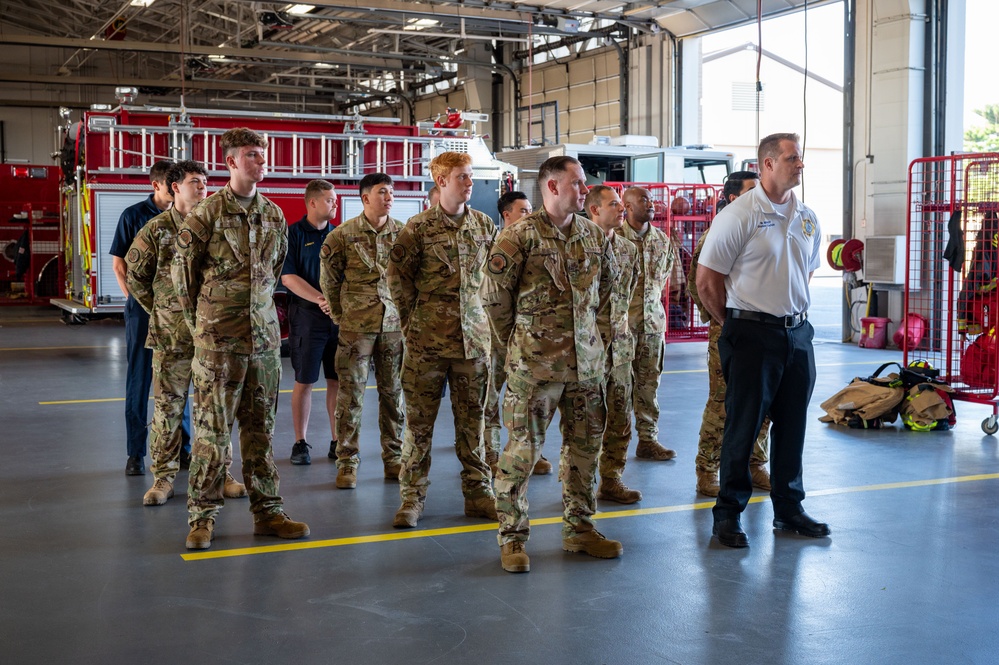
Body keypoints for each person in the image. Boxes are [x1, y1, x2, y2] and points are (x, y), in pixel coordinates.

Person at [172, 127, 309, 550]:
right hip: (218, 342)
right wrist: (205, 326)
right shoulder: (207, 214)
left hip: (264, 344)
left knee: (261, 431)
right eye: (252, 155)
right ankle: (203, 517)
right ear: (231, 162)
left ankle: (268, 512)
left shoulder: (272, 214)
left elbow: (272, 273)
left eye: (262, 154)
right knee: (212, 434)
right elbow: (183, 277)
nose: (261, 161)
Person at [484, 156, 620, 573]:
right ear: (553, 188)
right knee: (522, 454)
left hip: (586, 369)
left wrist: (594, 344)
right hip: (535, 368)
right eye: (577, 184)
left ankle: (579, 527)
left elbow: (607, 294)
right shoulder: (518, 237)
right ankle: (512, 537)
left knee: (584, 451)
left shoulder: (595, 237)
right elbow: (495, 302)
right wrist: (521, 346)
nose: (585, 190)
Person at [697, 133, 829, 548]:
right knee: (743, 427)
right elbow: (707, 281)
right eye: (793, 158)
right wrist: (736, 324)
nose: (800, 165)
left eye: (801, 158)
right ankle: (728, 515)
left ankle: (788, 509)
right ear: (768, 164)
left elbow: (804, 273)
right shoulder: (739, 215)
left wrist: (790, 317)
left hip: (797, 336)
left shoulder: (806, 217)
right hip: (752, 334)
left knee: (792, 427)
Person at [386, 151, 498, 529]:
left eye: (471, 176)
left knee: (474, 425)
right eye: (463, 177)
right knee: (418, 427)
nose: (469, 183)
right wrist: (412, 325)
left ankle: (479, 494)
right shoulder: (416, 229)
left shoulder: (485, 226)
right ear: (442, 182)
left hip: (474, 345)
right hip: (426, 345)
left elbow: (494, 284)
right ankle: (412, 499)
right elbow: (398, 282)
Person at [126, 160, 246, 506]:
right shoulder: (157, 229)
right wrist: (163, 310)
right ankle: (163, 479)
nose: (203, 187)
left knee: (215, 409)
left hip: (214, 335)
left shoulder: (217, 226)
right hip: (172, 336)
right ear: (174, 186)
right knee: (168, 407)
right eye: (195, 182)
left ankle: (220, 473)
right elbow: (137, 278)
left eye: (206, 181)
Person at [688, 171, 772, 497]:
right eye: (753, 190)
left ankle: (755, 463)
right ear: (734, 198)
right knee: (723, 403)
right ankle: (707, 470)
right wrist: (726, 319)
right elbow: (701, 287)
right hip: (729, 328)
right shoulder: (718, 232)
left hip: (765, 329)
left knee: (763, 403)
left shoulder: (765, 228)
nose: (761, 194)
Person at [319, 173, 405, 489]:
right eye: (383, 192)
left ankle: (394, 459)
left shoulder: (403, 234)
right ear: (366, 197)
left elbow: (412, 278)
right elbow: (329, 279)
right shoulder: (342, 235)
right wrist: (341, 316)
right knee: (350, 397)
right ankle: (347, 461)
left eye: (392, 192)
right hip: (356, 327)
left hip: (394, 327)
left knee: (393, 395)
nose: (389, 197)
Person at [109, 159, 191, 475]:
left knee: (178, 380)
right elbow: (121, 267)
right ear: (156, 185)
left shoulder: (188, 217)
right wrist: (143, 305)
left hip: (179, 314)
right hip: (143, 312)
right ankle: (136, 454)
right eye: (170, 185)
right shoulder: (134, 216)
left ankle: (183, 449)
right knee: (140, 380)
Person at [483, 191, 553, 477]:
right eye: (523, 210)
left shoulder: (535, 243)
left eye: (530, 209)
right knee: (489, 396)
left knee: (526, 399)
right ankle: (489, 451)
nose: (529, 214)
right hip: (495, 333)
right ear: (507, 214)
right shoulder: (494, 244)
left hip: (527, 337)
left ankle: (529, 452)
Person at [586, 186, 643, 505]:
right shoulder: (578, 246)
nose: (622, 210)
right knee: (584, 422)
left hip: (620, 347)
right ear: (594, 210)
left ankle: (611, 479)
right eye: (614, 205)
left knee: (621, 417)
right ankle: (576, 481)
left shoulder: (627, 249)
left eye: (622, 205)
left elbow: (627, 295)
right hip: (587, 347)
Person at [282, 180, 340, 466]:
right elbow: (288, 277)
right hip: (307, 317)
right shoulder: (292, 234)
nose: (335, 204)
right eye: (330, 200)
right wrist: (321, 299)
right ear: (313, 202)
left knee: (337, 380)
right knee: (304, 380)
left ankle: (337, 440)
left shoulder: (339, 235)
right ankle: (300, 442)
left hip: (338, 320)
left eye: (336, 199)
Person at [620, 187, 677, 461]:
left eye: (651, 200)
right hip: (621, 329)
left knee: (649, 386)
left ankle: (648, 440)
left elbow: (661, 281)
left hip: (653, 327)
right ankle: (615, 448)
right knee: (618, 390)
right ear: (627, 206)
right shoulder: (613, 238)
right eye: (644, 200)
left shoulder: (662, 241)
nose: (651, 204)